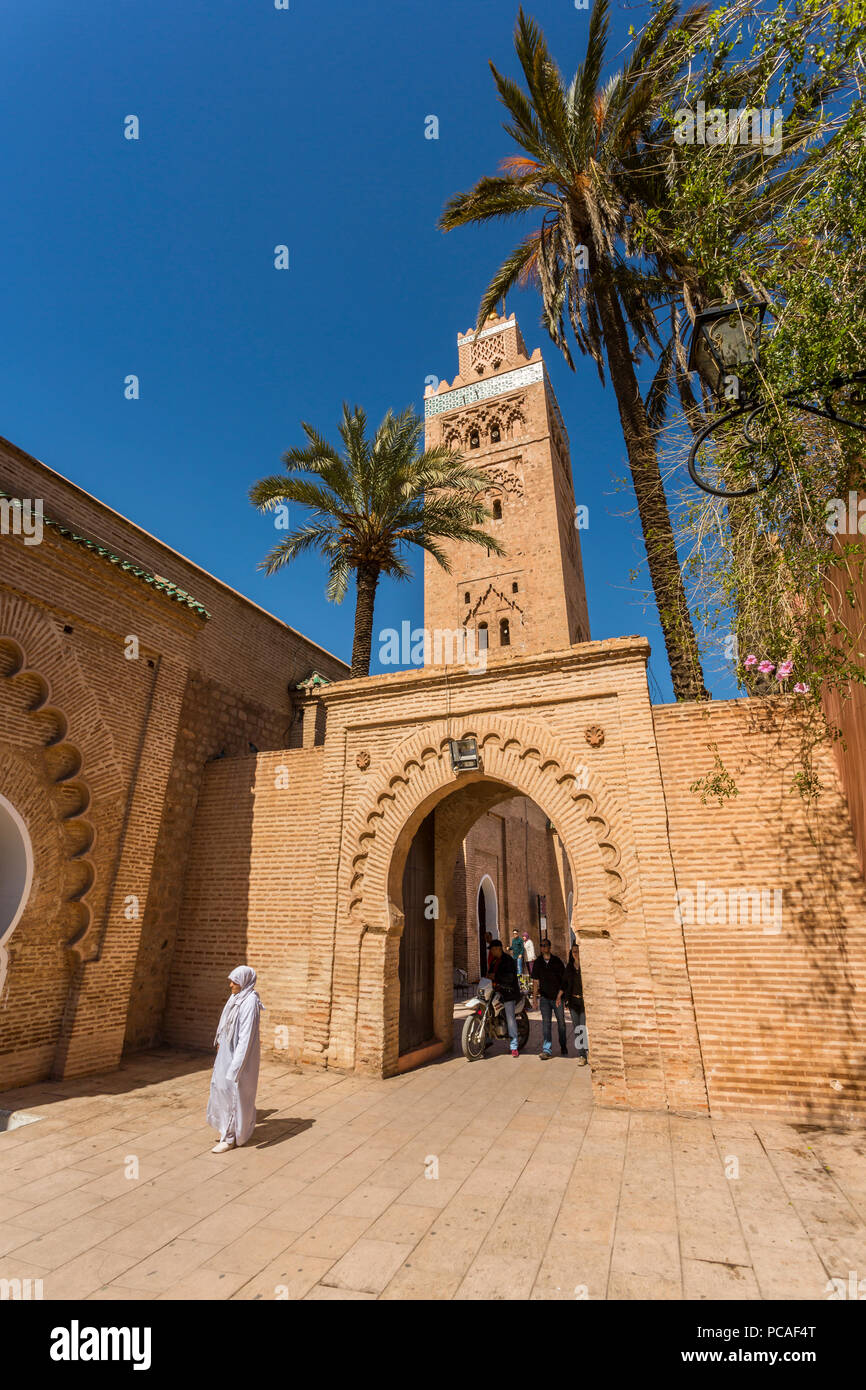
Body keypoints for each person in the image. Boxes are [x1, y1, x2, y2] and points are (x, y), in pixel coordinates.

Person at [207, 965, 265, 1153]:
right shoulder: (236, 997)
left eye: (235, 981)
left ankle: (230, 1138)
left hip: (238, 1057)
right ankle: (228, 1129)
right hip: (226, 1052)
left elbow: (246, 1037)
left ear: (244, 982)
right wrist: (220, 1041)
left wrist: (236, 1067)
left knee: (234, 1094)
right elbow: (225, 1022)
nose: (231, 985)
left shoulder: (250, 1002)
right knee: (221, 1089)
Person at [531, 937, 567, 1059]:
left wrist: (560, 996)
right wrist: (534, 999)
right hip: (545, 999)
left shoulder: (557, 961)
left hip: (557, 998)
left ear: (549, 947)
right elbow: (535, 981)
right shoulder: (538, 962)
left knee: (561, 1023)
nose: (543, 947)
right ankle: (547, 1050)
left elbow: (564, 981)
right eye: (541, 945)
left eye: (545, 945)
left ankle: (563, 1045)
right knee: (546, 1024)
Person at [487, 939, 521, 1059]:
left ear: (498, 948)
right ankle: (487, 1040)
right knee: (487, 1014)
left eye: (492, 949)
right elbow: (489, 974)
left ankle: (514, 1046)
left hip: (508, 992)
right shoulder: (494, 961)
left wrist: (496, 976)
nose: (491, 952)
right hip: (495, 991)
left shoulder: (508, 960)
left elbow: (510, 977)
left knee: (510, 1018)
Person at [558, 941, 588, 1064]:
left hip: (584, 1002)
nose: (576, 953)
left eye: (578, 951)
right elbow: (564, 983)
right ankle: (582, 1055)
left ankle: (588, 1050)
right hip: (573, 1002)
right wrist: (559, 996)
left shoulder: (585, 966)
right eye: (574, 951)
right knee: (577, 1028)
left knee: (583, 1027)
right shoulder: (569, 967)